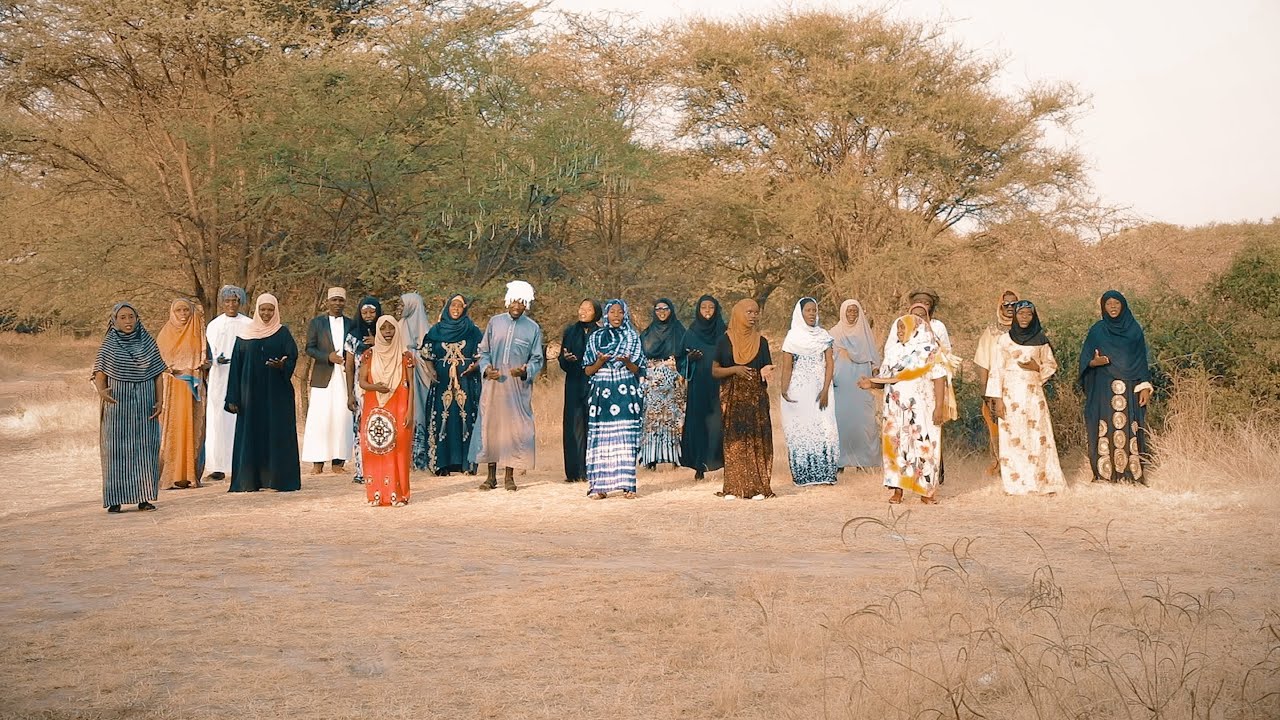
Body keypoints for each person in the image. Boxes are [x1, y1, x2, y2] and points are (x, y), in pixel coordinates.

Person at [858, 315, 947, 504]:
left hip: (922, 408)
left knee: (923, 445)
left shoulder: (930, 351)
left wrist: (939, 407)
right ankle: (897, 490)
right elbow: (886, 379)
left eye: (903, 327)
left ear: (915, 329)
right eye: (897, 328)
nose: (899, 332)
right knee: (896, 446)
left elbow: (940, 379)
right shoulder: (893, 351)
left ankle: (926, 492)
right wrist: (871, 384)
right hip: (895, 409)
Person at [986, 300, 1066, 495]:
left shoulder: (1041, 339)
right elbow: (996, 369)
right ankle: (1016, 485)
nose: (1024, 318)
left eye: (1028, 314)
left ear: (1034, 317)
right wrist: (996, 399)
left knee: (1037, 437)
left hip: (1033, 396)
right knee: (1013, 438)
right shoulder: (1004, 340)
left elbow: (1051, 365)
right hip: (1010, 395)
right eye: (1021, 314)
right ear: (1015, 316)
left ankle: (1040, 483)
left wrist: (1036, 368)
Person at [94, 302, 166, 513]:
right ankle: (115, 499)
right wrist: (101, 391)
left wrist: (160, 401)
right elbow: (100, 372)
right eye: (123, 317)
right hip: (117, 404)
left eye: (131, 317)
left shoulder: (148, 342)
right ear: (114, 321)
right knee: (115, 450)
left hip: (145, 402)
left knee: (145, 449)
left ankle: (143, 498)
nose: (127, 321)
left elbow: (158, 374)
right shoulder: (109, 344)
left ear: (137, 319)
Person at [225, 294, 301, 493]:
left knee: (276, 434)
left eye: (270, 310)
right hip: (250, 395)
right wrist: (232, 397)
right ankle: (250, 480)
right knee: (251, 434)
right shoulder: (244, 335)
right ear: (256, 310)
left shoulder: (283, 333)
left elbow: (292, 357)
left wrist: (283, 365)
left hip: (277, 394)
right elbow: (236, 367)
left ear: (276, 310)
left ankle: (279, 480)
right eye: (263, 309)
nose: (266, 314)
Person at [475, 280, 545, 491]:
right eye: (514, 301)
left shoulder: (532, 328)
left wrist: (525, 371)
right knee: (492, 428)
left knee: (514, 430)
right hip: (494, 386)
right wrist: (486, 369)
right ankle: (490, 477)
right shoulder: (495, 322)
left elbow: (537, 359)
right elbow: (483, 351)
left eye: (521, 303)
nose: (517, 306)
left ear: (527, 305)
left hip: (516, 388)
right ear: (507, 302)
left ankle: (509, 476)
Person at [1079, 290, 1153, 484]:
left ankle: (1131, 473)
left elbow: (1141, 359)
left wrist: (1145, 386)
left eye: (1116, 303)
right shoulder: (1097, 330)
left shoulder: (1134, 329)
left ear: (1123, 305)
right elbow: (1085, 360)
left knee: (1130, 427)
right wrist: (1096, 362)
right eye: (1108, 304)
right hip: (1104, 388)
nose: (1112, 307)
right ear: (1103, 307)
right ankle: (1106, 473)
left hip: (1129, 388)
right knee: (1107, 427)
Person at [711, 299, 776, 500]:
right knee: (735, 442)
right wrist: (735, 370)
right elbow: (714, 370)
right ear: (738, 313)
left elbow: (766, 365)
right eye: (749, 312)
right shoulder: (725, 340)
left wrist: (767, 371)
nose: (753, 316)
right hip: (732, 397)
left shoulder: (762, 341)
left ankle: (758, 488)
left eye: (756, 312)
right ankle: (733, 487)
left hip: (756, 397)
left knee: (757, 440)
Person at [583, 299, 646, 499]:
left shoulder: (632, 337)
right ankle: (600, 487)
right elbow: (587, 370)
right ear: (606, 315)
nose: (616, 316)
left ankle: (628, 486)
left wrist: (628, 362)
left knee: (625, 438)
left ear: (625, 314)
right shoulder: (596, 337)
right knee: (602, 438)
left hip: (625, 390)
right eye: (612, 312)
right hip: (602, 392)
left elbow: (639, 369)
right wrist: (600, 361)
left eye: (620, 312)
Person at [779, 297, 839, 486]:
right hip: (798, 389)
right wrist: (784, 389)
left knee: (824, 428)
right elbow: (787, 367)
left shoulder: (823, 335)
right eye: (808, 310)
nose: (812, 314)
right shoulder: (792, 337)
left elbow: (830, 363)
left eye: (814, 310)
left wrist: (825, 389)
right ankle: (803, 475)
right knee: (801, 429)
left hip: (821, 389)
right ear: (800, 313)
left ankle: (826, 474)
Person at [422, 293, 483, 476]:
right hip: (442, 382)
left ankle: (466, 463)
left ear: (464, 309)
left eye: (459, 306)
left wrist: (475, 366)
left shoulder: (473, 330)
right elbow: (427, 353)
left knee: (465, 418)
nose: (456, 309)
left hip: (466, 380)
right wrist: (431, 370)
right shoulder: (436, 330)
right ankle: (442, 464)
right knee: (442, 418)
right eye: (453, 306)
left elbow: (483, 353)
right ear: (447, 307)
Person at [359, 316, 415, 506]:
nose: (388, 332)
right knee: (375, 448)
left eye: (392, 328)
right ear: (378, 331)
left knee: (398, 449)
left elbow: (412, 386)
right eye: (383, 329)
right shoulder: (368, 354)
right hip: (374, 408)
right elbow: (362, 382)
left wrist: (411, 411)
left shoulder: (405, 356)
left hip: (400, 405)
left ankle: (399, 494)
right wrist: (376, 388)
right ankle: (376, 494)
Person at [301, 287, 355, 474]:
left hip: (345, 376)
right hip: (323, 376)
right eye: (334, 300)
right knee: (320, 418)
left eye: (341, 300)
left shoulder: (351, 323)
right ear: (328, 302)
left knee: (342, 417)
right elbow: (309, 348)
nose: (338, 304)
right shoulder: (317, 323)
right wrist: (327, 357)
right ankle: (318, 463)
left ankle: (338, 462)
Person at [156, 298, 208, 489]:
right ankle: (170, 475)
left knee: (191, 429)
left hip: (192, 391)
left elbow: (204, 360)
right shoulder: (165, 334)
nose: (183, 314)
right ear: (172, 312)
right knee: (172, 430)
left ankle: (189, 475)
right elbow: (158, 363)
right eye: (179, 310)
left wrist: (198, 369)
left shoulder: (197, 333)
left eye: (186, 310)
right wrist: (177, 371)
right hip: (171, 390)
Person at [204, 285, 251, 482]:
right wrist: (215, 360)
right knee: (218, 419)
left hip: (242, 377)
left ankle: (240, 462)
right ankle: (217, 467)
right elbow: (207, 352)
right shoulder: (214, 325)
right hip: (219, 377)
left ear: (240, 302)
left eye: (235, 300)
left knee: (240, 417)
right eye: (227, 301)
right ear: (222, 303)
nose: (231, 304)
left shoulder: (249, 323)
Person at [679, 295, 726, 480]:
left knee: (719, 423)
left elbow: (731, 355)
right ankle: (699, 465)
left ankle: (723, 462)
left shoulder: (724, 331)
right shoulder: (691, 332)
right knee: (699, 423)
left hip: (719, 384)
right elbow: (680, 359)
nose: (707, 311)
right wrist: (689, 360)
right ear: (698, 310)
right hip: (698, 385)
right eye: (703, 307)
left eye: (711, 307)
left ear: (716, 310)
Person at [829, 299, 880, 470]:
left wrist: (875, 372)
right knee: (841, 421)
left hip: (861, 383)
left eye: (855, 311)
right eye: (849, 311)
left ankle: (863, 461)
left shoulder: (864, 333)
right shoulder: (834, 333)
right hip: (841, 383)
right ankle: (840, 462)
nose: (852, 315)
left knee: (863, 421)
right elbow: (827, 359)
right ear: (843, 312)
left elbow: (874, 358)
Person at [638, 297, 687, 469]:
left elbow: (686, 354)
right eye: (658, 309)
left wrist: (682, 373)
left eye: (665, 308)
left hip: (674, 380)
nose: (662, 312)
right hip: (652, 382)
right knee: (652, 419)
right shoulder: (646, 333)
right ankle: (650, 458)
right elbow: (641, 358)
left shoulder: (679, 331)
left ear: (671, 310)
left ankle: (675, 458)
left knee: (673, 418)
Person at [973, 290, 1019, 473]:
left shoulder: (1026, 328)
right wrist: (986, 392)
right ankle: (999, 468)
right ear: (1000, 306)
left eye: (1014, 304)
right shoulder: (991, 331)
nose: (1010, 308)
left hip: (1020, 387)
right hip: (995, 388)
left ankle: (1019, 468)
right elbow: (982, 361)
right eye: (1006, 304)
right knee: (996, 430)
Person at [559, 299, 602, 483]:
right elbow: (562, 358)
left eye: (588, 308)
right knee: (573, 426)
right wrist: (566, 359)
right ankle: (575, 471)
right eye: (581, 307)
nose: (583, 311)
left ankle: (593, 469)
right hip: (574, 384)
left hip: (595, 383)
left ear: (596, 312)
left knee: (593, 426)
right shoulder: (570, 331)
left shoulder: (601, 333)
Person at [343, 296, 382, 485]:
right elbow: (349, 367)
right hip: (360, 390)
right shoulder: (352, 336)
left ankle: (381, 468)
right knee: (360, 429)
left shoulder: (386, 333)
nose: (368, 316)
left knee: (380, 427)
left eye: (372, 312)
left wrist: (378, 342)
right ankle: (362, 470)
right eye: (364, 312)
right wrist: (349, 393)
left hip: (382, 390)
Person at [399, 292, 435, 470]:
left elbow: (427, 352)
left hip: (420, 376)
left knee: (419, 412)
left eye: (403, 304)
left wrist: (415, 358)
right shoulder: (398, 326)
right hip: (401, 376)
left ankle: (420, 458)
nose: (400, 308)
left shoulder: (426, 329)